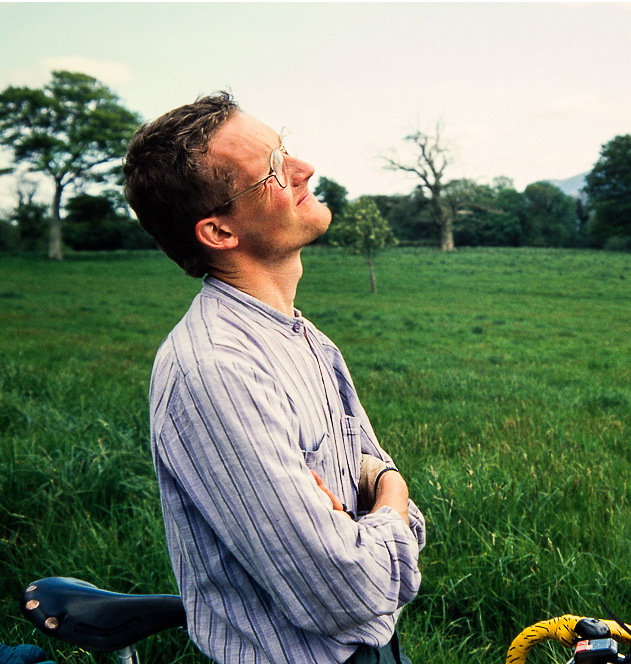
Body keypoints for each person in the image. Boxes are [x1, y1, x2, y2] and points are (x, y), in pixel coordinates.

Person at [122, 92, 425, 664]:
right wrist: (393, 493)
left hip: (376, 649)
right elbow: (350, 589)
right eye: (272, 172)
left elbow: (396, 534)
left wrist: (371, 516)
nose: (303, 169)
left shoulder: (300, 336)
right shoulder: (217, 372)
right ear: (218, 232)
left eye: (284, 149)